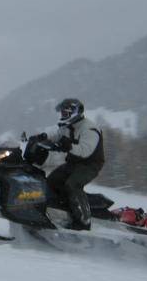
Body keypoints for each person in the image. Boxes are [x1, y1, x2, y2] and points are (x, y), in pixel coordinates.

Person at [36, 98, 105, 230]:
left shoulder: (90, 128)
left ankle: (83, 222)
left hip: (90, 164)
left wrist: (67, 146)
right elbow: (57, 138)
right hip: (73, 163)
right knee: (50, 182)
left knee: (73, 184)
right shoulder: (67, 127)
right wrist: (41, 139)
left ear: (74, 113)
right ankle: (61, 213)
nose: (63, 116)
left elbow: (85, 151)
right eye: (62, 113)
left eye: (65, 113)